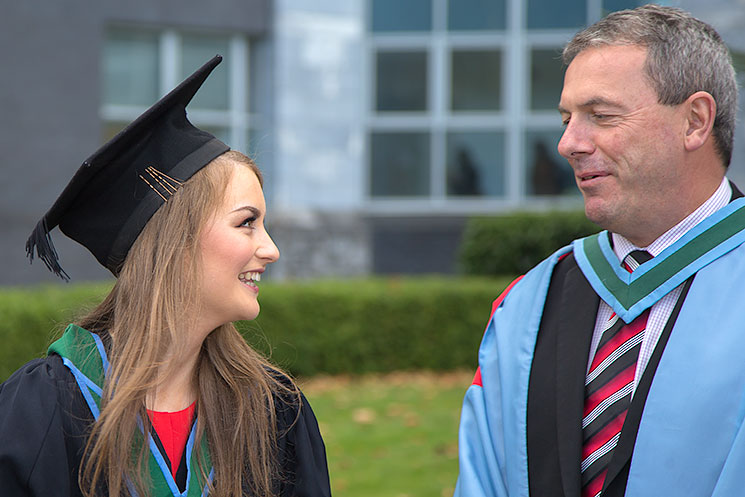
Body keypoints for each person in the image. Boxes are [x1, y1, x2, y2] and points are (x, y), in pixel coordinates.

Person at [0, 56, 332, 497]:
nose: (271, 249)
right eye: (246, 222)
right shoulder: (44, 410)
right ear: (175, 242)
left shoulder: (275, 414)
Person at [454, 5, 744, 497]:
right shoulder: (528, 304)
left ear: (695, 121)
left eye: (601, 116)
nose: (568, 143)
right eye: (567, 119)